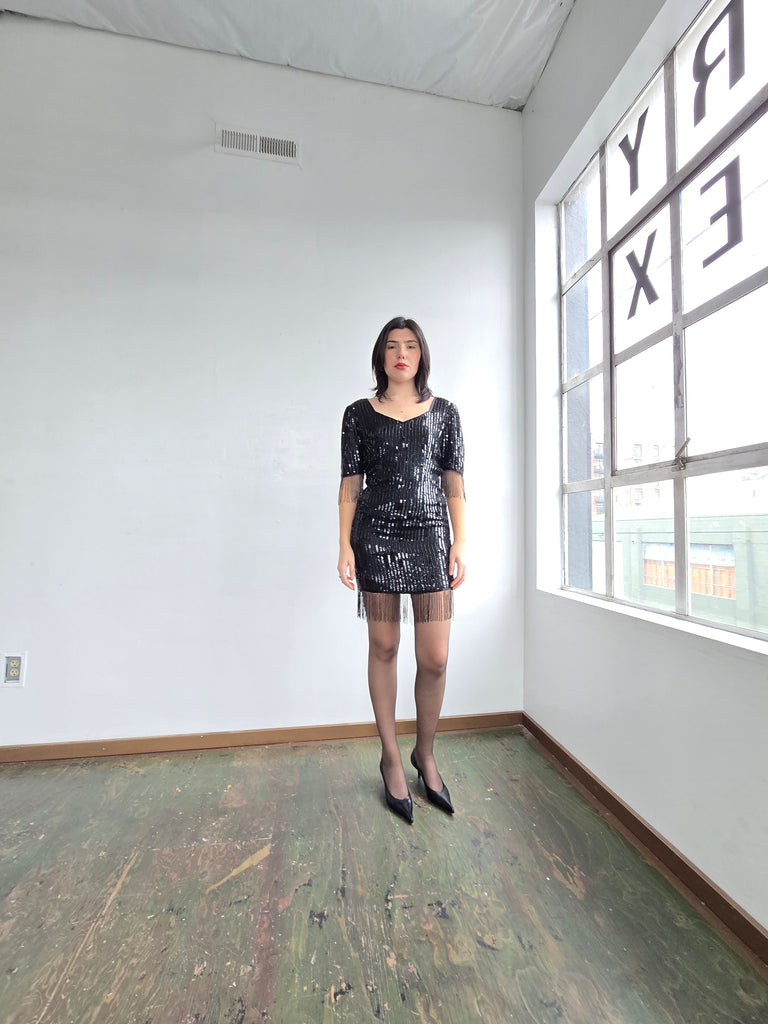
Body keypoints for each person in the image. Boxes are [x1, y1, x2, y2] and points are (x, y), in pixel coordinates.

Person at [337, 316, 466, 823]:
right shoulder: (357, 414)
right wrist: (344, 545)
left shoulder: (446, 412)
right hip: (375, 536)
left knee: (435, 657)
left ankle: (424, 753)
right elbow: (351, 483)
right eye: (392, 346)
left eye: (410, 345)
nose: (401, 354)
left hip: (431, 535)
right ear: (381, 356)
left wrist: (461, 542)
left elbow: (454, 481)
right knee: (384, 646)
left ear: (422, 355)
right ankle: (391, 757)